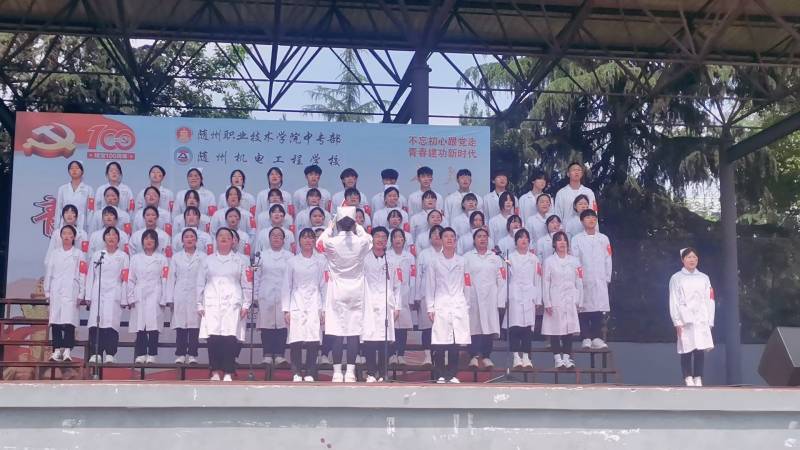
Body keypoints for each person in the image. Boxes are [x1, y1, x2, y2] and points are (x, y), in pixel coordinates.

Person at [316, 206, 373, 383]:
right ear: (353, 224)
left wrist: (330, 226)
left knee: (337, 331)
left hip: (337, 290)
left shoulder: (332, 243)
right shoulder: (361, 242)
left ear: (339, 224)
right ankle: (350, 372)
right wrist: (358, 226)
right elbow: (369, 238)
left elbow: (319, 243)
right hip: (356, 289)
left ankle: (336, 372)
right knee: (353, 332)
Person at [197, 227, 252, 382]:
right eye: (220, 235)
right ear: (216, 239)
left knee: (230, 337)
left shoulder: (241, 261)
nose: (224, 238)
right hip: (212, 302)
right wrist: (199, 304)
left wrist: (246, 304)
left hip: (232, 303)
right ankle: (214, 371)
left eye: (227, 236)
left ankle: (228, 371)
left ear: (233, 241)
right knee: (213, 338)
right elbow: (200, 283)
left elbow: (247, 284)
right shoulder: (207, 260)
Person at [280, 228, 327, 381]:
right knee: (296, 339)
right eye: (304, 238)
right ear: (299, 241)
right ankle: (296, 372)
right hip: (296, 301)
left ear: (314, 241)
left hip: (314, 302)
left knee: (313, 339)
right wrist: (286, 310)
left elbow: (324, 286)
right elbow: (286, 286)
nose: (308, 240)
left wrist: (324, 309)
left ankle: (311, 372)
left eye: (311, 238)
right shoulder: (292, 262)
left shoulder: (321, 262)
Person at [426, 227, 470, 383]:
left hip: (458, 303)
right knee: (439, 342)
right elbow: (430, 285)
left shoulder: (463, 261)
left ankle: (452, 374)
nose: (449, 239)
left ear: (456, 241)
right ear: (441, 240)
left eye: (452, 236)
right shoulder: (434, 261)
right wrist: (430, 307)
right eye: (446, 236)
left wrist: (467, 305)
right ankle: (439, 374)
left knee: (454, 342)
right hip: (441, 304)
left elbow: (467, 284)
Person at [669, 247, 715, 387]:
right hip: (684, 318)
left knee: (700, 347)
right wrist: (677, 321)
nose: (692, 260)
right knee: (686, 347)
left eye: (694, 257)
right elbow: (673, 300)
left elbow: (710, 299)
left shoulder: (704, 278)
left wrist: (710, 320)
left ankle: (698, 376)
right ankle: (687, 376)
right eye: (689, 257)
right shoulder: (676, 278)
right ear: (683, 260)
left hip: (701, 318)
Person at [361, 227, 401, 382]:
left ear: (387, 241)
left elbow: (398, 285)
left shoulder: (392, 260)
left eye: (384, 237)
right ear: (372, 239)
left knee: (385, 339)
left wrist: (397, 306)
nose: (380, 239)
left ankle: (383, 373)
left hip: (386, 304)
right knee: (370, 338)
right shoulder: (364, 259)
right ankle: (371, 372)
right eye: (377, 236)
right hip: (369, 303)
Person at [85, 226, 130, 364]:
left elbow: (126, 278)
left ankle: (110, 353)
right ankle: (96, 353)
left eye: (114, 235)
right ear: (104, 238)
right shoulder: (98, 255)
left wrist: (124, 297)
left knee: (111, 324)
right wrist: (88, 296)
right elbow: (91, 276)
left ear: (118, 239)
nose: (111, 237)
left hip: (115, 291)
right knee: (96, 323)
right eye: (108, 235)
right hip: (98, 291)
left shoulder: (123, 256)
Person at [571, 209, 613, 350]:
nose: (591, 220)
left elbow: (608, 258)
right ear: (582, 221)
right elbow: (575, 259)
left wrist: (607, 277)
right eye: (588, 218)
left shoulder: (604, 239)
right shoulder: (577, 239)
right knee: (583, 308)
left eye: (593, 218)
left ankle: (596, 338)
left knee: (598, 308)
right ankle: (586, 338)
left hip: (599, 278)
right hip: (583, 278)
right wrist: (577, 277)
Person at [43, 224, 86, 362]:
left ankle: (67, 350)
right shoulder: (55, 253)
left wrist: (81, 293)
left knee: (69, 321)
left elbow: (83, 274)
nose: (67, 236)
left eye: (69, 234)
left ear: (74, 237)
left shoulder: (79, 254)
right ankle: (56, 350)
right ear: (60, 236)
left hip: (72, 289)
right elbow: (49, 273)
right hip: (56, 290)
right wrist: (47, 291)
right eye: (64, 233)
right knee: (55, 321)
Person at [542, 231, 583, 369]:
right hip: (555, 298)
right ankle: (557, 358)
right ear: (554, 244)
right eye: (559, 240)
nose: (562, 242)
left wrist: (579, 299)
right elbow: (545, 282)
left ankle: (566, 358)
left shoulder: (574, 261)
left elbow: (579, 281)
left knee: (569, 329)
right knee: (555, 329)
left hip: (570, 298)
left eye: (564, 240)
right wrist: (547, 302)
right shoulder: (549, 261)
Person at [127, 229, 169, 364]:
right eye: (146, 238)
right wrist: (130, 296)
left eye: (152, 239)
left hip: (156, 292)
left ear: (156, 242)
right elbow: (130, 279)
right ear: (142, 242)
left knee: (154, 325)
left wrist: (164, 297)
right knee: (140, 325)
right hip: (139, 292)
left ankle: (152, 354)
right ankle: (140, 353)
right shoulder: (135, 258)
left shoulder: (162, 259)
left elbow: (165, 279)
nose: (149, 241)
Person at [464, 228, 503, 368]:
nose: (482, 239)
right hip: (473, 295)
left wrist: (500, 300)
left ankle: (487, 356)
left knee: (489, 326)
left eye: (485, 236)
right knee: (474, 326)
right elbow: (465, 278)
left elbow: (501, 279)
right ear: (474, 240)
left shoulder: (495, 258)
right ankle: (473, 356)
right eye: (479, 236)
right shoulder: (467, 257)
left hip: (490, 296)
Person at [255, 227, 294, 366]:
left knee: (282, 326)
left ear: (284, 240)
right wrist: (255, 296)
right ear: (269, 239)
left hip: (284, 295)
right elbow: (256, 276)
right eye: (273, 236)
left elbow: (292, 277)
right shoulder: (261, 256)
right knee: (266, 326)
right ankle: (267, 354)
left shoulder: (290, 257)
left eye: (279, 236)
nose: (276, 238)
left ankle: (279, 355)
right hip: (265, 294)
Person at [166, 228, 205, 364]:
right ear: (182, 240)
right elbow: (171, 278)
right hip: (180, 294)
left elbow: (205, 278)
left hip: (196, 294)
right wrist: (170, 298)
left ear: (196, 240)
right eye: (186, 237)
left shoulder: (203, 257)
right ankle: (180, 354)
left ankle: (193, 355)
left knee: (195, 327)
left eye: (192, 237)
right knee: (181, 326)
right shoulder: (176, 257)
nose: (189, 239)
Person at [506, 229, 542, 368]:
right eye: (520, 237)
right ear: (516, 242)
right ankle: (516, 357)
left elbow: (537, 279)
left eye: (526, 237)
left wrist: (537, 299)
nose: (524, 240)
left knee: (527, 328)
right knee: (515, 327)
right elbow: (505, 279)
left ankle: (526, 357)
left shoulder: (534, 259)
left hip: (529, 295)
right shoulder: (510, 257)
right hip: (514, 294)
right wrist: (504, 298)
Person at [414, 225, 444, 365]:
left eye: (439, 233)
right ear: (430, 237)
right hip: (426, 295)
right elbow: (418, 276)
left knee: (443, 327)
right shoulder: (424, 254)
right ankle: (427, 356)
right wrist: (417, 295)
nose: (437, 235)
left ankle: (442, 356)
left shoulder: (448, 253)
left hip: (443, 295)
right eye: (434, 233)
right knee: (427, 328)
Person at [387, 228, 415, 366]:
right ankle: (391, 355)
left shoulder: (409, 257)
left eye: (401, 237)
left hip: (404, 293)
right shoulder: (387, 255)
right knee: (391, 325)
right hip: (390, 293)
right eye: (395, 237)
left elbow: (413, 277)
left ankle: (401, 354)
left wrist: (412, 297)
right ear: (391, 240)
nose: (398, 239)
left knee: (403, 327)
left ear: (404, 240)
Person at [55, 160, 93, 231]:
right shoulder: (62, 189)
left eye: (77, 168)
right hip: (65, 224)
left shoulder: (89, 189)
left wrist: (89, 229)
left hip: (81, 224)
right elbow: (58, 209)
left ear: (82, 171)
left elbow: (90, 211)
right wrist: (56, 228)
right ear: (68, 171)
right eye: (72, 168)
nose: (74, 170)